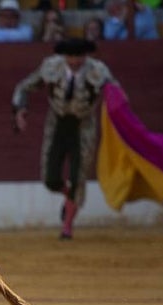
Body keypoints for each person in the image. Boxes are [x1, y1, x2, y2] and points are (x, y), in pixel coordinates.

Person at [11, 37, 115, 240]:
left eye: (79, 57)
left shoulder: (98, 70)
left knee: (78, 176)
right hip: (56, 123)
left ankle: (67, 227)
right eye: (70, 56)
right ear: (64, 56)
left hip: (84, 126)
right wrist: (20, 110)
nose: (74, 61)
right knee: (50, 179)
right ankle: (69, 196)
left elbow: (116, 94)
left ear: (86, 56)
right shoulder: (52, 66)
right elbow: (24, 87)